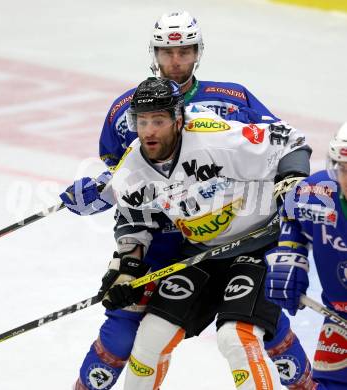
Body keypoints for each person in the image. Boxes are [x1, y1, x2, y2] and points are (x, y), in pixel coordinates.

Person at [60, 11, 315, 390]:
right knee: (130, 331)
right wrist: (124, 257)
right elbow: (128, 191)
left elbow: (283, 144)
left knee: (249, 330)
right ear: (154, 53)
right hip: (172, 241)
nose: (175, 61)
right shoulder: (126, 115)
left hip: (245, 235)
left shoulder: (222, 116)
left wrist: (288, 184)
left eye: (184, 51)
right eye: (167, 51)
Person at [98, 76, 313, 389]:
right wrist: (126, 273)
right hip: (200, 253)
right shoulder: (132, 166)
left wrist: (290, 183)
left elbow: (290, 141)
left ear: (178, 119)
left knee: (235, 338)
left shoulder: (217, 137)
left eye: (158, 120)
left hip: (260, 244)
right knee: (149, 338)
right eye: (141, 121)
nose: (149, 131)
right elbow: (134, 218)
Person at [264, 122, 347, 390]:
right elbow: (292, 216)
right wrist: (289, 255)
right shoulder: (317, 192)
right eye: (343, 168)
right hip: (339, 318)